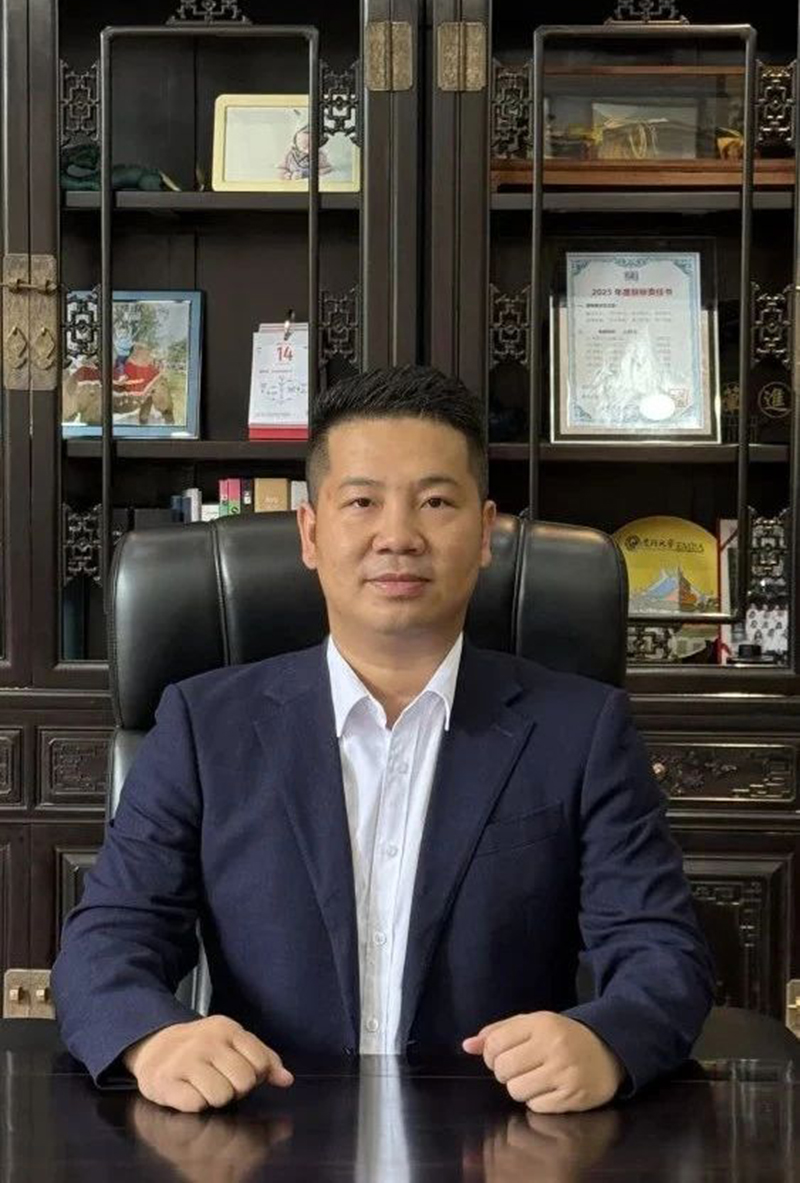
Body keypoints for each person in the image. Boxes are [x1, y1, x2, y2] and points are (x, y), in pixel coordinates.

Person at [51, 366, 714, 1115]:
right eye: (362, 501)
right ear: (311, 532)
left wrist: (605, 1041)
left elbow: (664, 954)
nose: (398, 537)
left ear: (485, 533)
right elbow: (106, 942)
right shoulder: (205, 726)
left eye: (435, 502)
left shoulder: (581, 730)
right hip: (266, 1129)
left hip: (498, 1133)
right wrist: (153, 1039)